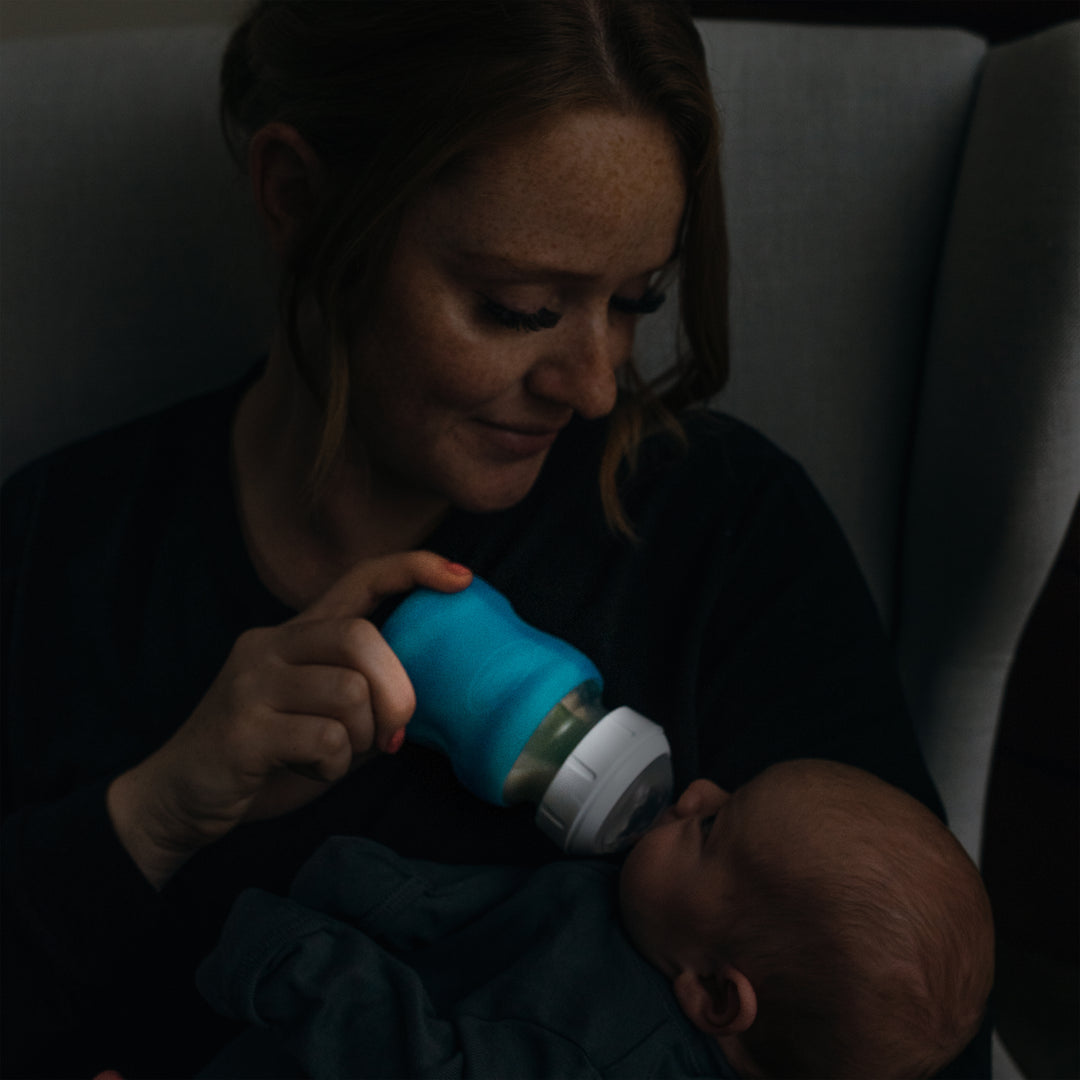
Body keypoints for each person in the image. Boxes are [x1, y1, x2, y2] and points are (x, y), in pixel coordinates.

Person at [0, 2, 987, 1076]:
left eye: (633, 300)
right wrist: (153, 813)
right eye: (521, 307)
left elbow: (920, 1038)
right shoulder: (57, 558)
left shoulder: (722, 532)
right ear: (297, 200)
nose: (597, 384)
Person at [193, 759, 994, 1079]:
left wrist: (294, 963)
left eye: (713, 828)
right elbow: (494, 915)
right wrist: (377, 889)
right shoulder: (645, 926)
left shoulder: (608, 1056)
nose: (699, 791)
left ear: (715, 994)